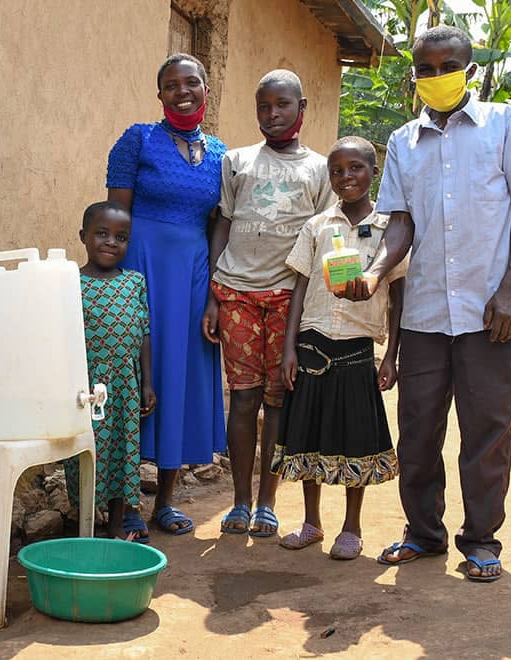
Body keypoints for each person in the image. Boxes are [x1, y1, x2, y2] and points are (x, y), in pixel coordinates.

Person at [338, 26, 511, 582]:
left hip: (491, 313)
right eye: (424, 69)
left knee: (487, 431)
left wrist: (509, 289)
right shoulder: (404, 142)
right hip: (427, 313)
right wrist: (376, 272)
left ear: (470, 71)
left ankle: (481, 540)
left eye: (447, 66)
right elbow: (401, 224)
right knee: (418, 430)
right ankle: (423, 534)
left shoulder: (506, 124)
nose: (435, 77)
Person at [205, 69, 335, 538]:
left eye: (283, 105)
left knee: (277, 400)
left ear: (302, 109)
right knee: (242, 398)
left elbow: (326, 239)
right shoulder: (236, 161)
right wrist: (212, 295)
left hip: (287, 298)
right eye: (264, 106)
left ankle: (267, 503)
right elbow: (221, 225)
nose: (273, 114)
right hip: (235, 292)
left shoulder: (320, 170)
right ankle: (239, 502)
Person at [106, 53, 227, 536]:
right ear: (160, 95)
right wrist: (115, 283)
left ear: (205, 89)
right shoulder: (137, 140)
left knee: (179, 379)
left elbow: (218, 224)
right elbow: (114, 219)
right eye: (172, 84)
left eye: (192, 82)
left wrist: (216, 291)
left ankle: (167, 501)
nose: (183, 91)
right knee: (133, 378)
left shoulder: (220, 155)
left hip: (194, 277)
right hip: (141, 270)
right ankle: (127, 503)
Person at [272, 136, 405, 560]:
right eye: (337, 171)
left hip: (356, 348)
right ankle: (312, 522)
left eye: (355, 169)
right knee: (307, 435)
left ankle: (352, 527)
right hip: (312, 344)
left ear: (373, 172)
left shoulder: (389, 231)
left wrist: (392, 355)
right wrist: (289, 348)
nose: (345, 177)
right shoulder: (317, 227)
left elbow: (398, 296)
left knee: (354, 438)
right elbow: (300, 287)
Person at [63, 202, 157, 542]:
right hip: (85, 386)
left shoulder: (134, 282)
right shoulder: (70, 282)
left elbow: (144, 332)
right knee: (85, 450)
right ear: (83, 237)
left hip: (125, 382)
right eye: (102, 234)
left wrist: (147, 381)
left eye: (121, 237)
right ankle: (84, 523)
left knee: (123, 448)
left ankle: (117, 523)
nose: (111, 242)